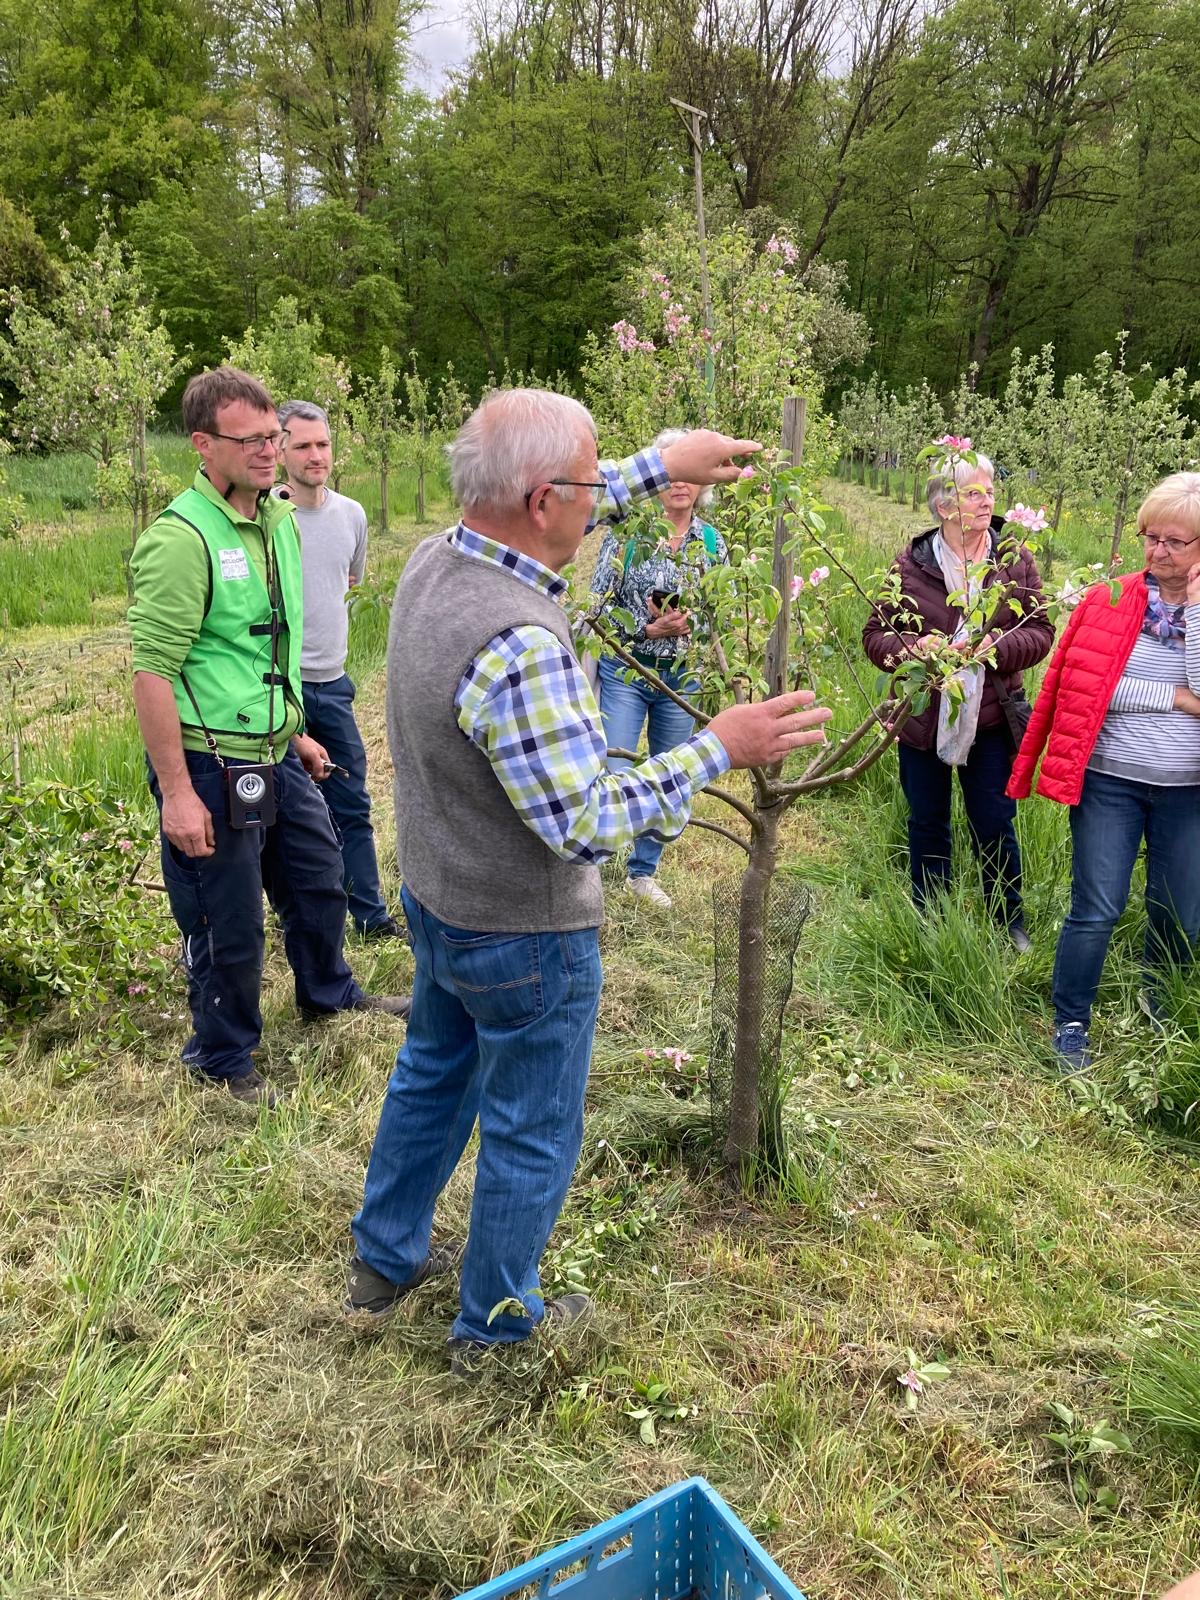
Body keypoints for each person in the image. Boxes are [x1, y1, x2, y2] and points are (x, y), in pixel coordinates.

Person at [344, 389, 831, 1368]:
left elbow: (581, 491)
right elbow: (585, 823)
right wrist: (717, 748)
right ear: (538, 500)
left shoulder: (438, 560)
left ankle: (383, 1257)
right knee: (531, 1129)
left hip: (440, 896)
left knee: (433, 1073)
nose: (603, 492)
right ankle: (493, 1327)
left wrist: (663, 458)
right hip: (523, 932)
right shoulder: (519, 642)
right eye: (590, 478)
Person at [128, 366, 409, 1109]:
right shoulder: (182, 537)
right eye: (248, 439)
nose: (267, 450)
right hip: (208, 758)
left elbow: (263, 653)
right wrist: (179, 795)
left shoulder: (278, 520)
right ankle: (221, 1056)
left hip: (275, 748)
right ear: (202, 443)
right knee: (229, 921)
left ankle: (327, 991)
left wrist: (298, 735)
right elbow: (153, 673)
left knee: (319, 880)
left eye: (272, 437)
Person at [1009, 471, 1200, 1072]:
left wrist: (1194, 611)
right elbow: (1089, 689)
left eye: (1174, 541)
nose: (1157, 551)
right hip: (1110, 781)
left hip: (1187, 791)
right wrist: (1174, 697)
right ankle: (1070, 1021)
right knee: (1096, 906)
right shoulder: (1109, 599)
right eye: (1151, 537)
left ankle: (1160, 1009)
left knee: (1178, 910)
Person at [862, 449, 1053, 946]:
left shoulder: (1013, 560)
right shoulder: (909, 564)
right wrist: (913, 649)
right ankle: (930, 917)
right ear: (946, 507)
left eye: (990, 491)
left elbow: (1040, 633)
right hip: (924, 716)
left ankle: (1007, 921)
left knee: (994, 822)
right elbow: (873, 635)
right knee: (928, 822)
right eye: (974, 493)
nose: (987, 501)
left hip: (990, 718)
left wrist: (996, 647)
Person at [275, 400, 401, 940]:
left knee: (351, 803)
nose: (315, 455)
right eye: (301, 445)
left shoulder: (352, 515)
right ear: (278, 449)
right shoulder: (265, 520)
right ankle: (295, 922)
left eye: (322, 444)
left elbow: (350, 584)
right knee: (282, 814)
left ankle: (370, 917)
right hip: (278, 688)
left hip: (334, 683)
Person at [588, 427, 729, 909]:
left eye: (690, 478)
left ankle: (643, 872)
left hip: (682, 678)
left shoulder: (713, 545)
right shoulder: (627, 539)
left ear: (700, 486)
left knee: (672, 775)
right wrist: (643, 633)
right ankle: (596, 866)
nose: (681, 485)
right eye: (674, 475)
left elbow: (724, 617)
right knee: (614, 767)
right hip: (628, 671)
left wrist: (693, 625)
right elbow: (596, 610)